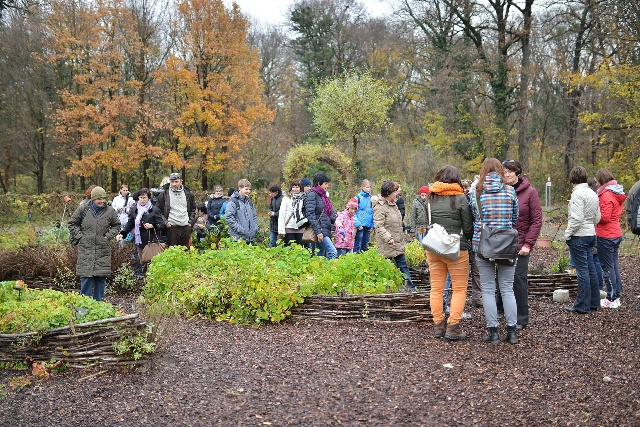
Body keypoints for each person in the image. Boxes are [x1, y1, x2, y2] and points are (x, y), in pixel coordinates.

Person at [469, 158, 519, 344]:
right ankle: (512, 332)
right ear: (500, 170)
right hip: (506, 245)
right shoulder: (510, 190)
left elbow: (474, 217)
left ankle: (493, 333)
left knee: (488, 290)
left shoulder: (476, 193)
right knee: (507, 289)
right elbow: (515, 217)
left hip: (483, 245)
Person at [425, 166, 474, 341]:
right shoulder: (460, 198)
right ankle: (453, 327)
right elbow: (468, 227)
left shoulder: (430, 198)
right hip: (456, 249)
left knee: (436, 289)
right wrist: (466, 239)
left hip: (434, 249)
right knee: (459, 289)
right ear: (456, 179)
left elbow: (426, 222)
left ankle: (439, 325)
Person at [496, 160, 542, 330]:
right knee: (500, 277)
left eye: (510, 172)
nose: (507, 175)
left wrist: (528, 244)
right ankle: (501, 309)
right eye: (504, 171)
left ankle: (521, 318)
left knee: (518, 279)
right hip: (502, 242)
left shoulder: (530, 193)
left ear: (518, 173)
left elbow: (536, 221)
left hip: (521, 243)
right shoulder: (500, 191)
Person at [68, 186, 121, 301]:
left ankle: (99, 307)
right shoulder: (83, 209)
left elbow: (117, 225)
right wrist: (80, 237)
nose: (102, 201)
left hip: (103, 249)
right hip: (86, 248)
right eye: (99, 199)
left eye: (103, 199)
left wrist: (108, 236)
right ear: (93, 199)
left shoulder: (110, 211)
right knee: (86, 278)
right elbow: (72, 223)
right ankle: (83, 309)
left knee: (100, 278)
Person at [563, 166, 601, 314]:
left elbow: (577, 218)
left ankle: (582, 305)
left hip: (579, 236)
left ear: (572, 178)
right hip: (591, 234)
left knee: (582, 271)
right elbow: (597, 217)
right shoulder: (593, 193)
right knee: (591, 270)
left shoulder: (577, 194)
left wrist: (568, 233)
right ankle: (594, 302)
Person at [373, 180, 415, 290]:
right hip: (388, 244)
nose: (397, 193)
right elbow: (379, 225)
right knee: (387, 268)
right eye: (395, 191)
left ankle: (409, 288)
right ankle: (388, 289)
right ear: (388, 193)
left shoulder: (393, 204)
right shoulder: (380, 207)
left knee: (403, 266)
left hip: (397, 243)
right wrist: (388, 238)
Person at [595, 169, 626, 309]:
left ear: (601, 180)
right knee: (613, 266)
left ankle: (611, 297)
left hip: (606, 235)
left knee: (607, 268)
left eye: (597, 180)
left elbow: (605, 217)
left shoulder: (606, 194)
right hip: (615, 233)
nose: (595, 182)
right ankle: (616, 295)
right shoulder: (615, 192)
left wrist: (593, 215)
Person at [116, 188, 167, 272]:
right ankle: (144, 281)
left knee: (152, 264)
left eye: (144, 198)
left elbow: (162, 225)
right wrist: (122, 234)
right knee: (142, 262)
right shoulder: (135, 209)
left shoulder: (154, 209)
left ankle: (151, 282)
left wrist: (152, 225)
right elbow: (130, 224)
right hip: (139, 241)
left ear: (149, 198)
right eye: (141, 198)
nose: (142, 200)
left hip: (152, 241)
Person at [156, 172, 196, 248]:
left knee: (186, 251)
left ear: (181, 181)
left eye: (176, 182)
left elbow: (193, 209)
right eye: (172, 182)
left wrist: (190, 222)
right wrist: (165, 222)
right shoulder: (164, 194)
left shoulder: (188, 193)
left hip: (186, 226)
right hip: (172, 227)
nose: (174, 184)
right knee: (173, 252)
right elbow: (158, 210)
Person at [305, 172, 337, 260]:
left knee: (320, 256)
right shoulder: (312, 195)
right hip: (319, 230)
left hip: (325, 229)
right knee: (333, 252)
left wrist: (332, 227)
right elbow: (310, 214)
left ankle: (319, 272)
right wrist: (318, 232)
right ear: (319, 183)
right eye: (325, 184)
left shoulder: (323, 196)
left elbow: (327, 215)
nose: (327, 186)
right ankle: (330, 272)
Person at [225, 179, 258, 244]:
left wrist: (255, 228)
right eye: (246, 189)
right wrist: (241, 230)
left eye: (249, 189)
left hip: (250, 239)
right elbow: (229, 218)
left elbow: (254, 216)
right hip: (238, 239)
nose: (248, 191)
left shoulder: (249, 203)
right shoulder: (233, 202)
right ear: (240, 188)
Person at [278, 180, 306, 246]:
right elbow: (282, 214)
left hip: (301, 227)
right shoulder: (286, 198)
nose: (295, 189)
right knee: (289, 248)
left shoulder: (304, 198)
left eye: (297, 187)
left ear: (300, 188)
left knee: (300, 249)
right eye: (293, 187)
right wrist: (281, 231)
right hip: (289, 227)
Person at [353, 179, 374, 253]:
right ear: (362, 187)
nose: (369, 189)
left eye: (369, 187)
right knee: (357, 245)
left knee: (365, 245)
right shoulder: (357, 198)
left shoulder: (371, 198)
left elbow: (373, 212)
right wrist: (358, 224)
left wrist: (372, 225)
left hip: (368, 225)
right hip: (360, 225)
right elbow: (353, 212)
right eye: (367, 187)